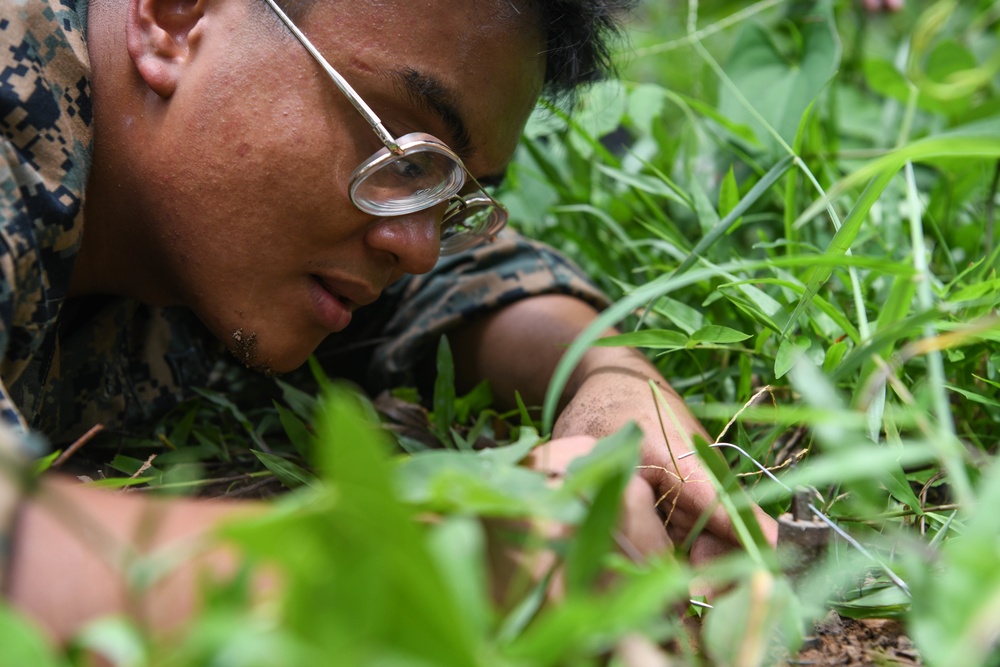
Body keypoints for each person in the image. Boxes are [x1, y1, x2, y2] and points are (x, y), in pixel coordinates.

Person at [0, 0, 777, 643]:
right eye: (404, 153)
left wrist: (611, 385)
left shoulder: (224, 217)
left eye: (449, 196)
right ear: (176, 18)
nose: (418, 249)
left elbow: (482, 278)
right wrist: (418, 578)